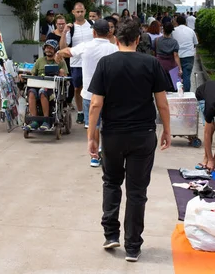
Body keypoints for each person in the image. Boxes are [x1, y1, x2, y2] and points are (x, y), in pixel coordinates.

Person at [87, 19, 171, 262]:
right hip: (142, 135)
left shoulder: (106, 63)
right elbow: (162, 103)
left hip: (112, 135)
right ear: (137, 40)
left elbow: (95, 104)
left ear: (116, 39)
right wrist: (167, 130)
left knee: (111, 182)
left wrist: (92, 135)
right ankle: (133, 247)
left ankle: (111, 234)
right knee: (137, 191)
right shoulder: (151, 63)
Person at [56, 20, 118, 167]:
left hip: (90, 95)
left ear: (94, 32)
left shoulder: (85, 46)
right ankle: (106, 151)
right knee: (108, 125)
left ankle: (94, 156)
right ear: (108, 32)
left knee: (93, 125)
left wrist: (58, 53)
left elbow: (67, 51)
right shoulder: (115, 49)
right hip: (110, 96)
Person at [60, 3, 94, 125]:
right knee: (78, 88)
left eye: (82, 11)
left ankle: (91, 113)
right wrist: (64, 32)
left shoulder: (92, 25)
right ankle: (80, 112)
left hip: (91, 62)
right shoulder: (71, 28)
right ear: (73, 12)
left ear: (85, 11)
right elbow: (63, 47)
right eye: (77, 11)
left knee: (93, 88)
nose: (80, 13)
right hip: (76, 63)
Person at [23, 40, 68, 131]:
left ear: (55, 50)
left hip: (53, 88)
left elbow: (65, 75)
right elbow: (33, 74)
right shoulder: (40, 61)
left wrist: (61, 73)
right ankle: (34, 121)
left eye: (51, 48)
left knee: (42, 91)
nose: (48, 50)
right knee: (31, 92)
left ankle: (46, 120)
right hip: (38, 85)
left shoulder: (60, 61)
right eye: (47, 48)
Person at [172, 15, 198, 92]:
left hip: (176, 56)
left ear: (176, 22)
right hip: (189, 56)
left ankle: (178, 92)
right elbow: (195, 43)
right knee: (186, 76)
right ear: (185, 22)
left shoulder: (173, 31)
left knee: (176, 75)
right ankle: (186, 94)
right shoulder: (191, 31)